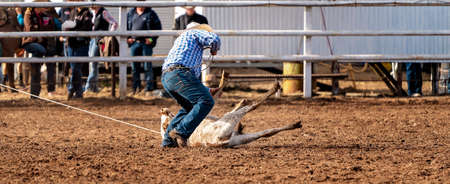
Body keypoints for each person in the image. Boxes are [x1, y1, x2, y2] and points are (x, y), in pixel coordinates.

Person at [161, 23, 221, 148]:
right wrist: (214, 49)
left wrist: (206, 89)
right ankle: (181, 132)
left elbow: (192, 84)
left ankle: (168, 141)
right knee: (207, 101)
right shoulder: (193, 33)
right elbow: (214, 39)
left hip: (168, 77)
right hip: (179, 73)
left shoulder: (184, 45)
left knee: (189, 106)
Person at [22, 1, 60, 98]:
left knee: (50, 65)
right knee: (35, 67)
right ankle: (34, 94)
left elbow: (51, 27)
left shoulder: (47, 13)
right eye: (44, 6)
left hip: (46, 42)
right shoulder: (29, 13)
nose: (46, 8)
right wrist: (41, 35)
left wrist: (43, 34)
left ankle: (50, 90)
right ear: (38, 6)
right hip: (34, 43)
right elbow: (30, 30)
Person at [127, 0, 162, 95]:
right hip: (134, 43)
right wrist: (128, 38)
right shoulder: (131, 13)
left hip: (146, 43)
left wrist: (151, 39)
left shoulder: (151, 13)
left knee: (147, 66)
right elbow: (126, 27)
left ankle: (148, 89)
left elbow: (158, 28)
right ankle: (135, 89)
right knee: (134, 67)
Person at [85, 1, 118, 93]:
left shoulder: (104, 12)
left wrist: (108, 35)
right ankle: (94, 87)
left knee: (93, 62)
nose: (91, 4)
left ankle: (89, 87)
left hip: (99, 40)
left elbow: (114, 23)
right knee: (92, 63)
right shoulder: (92, 13)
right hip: (92, 39)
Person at [65, 3, 93, 99]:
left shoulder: (87, 13)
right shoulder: (73, 11)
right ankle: (78, 92)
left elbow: (86, 28)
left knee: (76, 68)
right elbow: (67, 25)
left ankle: (72, 90)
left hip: (81, 43)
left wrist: (74, 27)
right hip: (72, 43)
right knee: (74, 69)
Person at [0, 7, 21, 92]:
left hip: (10, 42)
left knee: (9, 62)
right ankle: (11, 85)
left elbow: (18, 26)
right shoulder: (10, 13)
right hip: (9, 41)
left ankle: (11, 85)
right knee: (9, 63)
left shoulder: (11, 13)